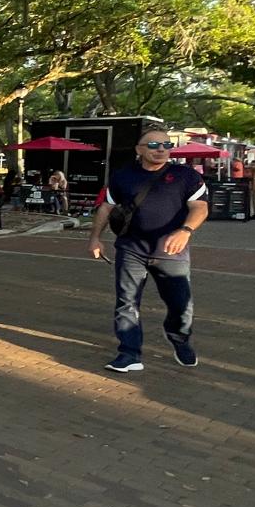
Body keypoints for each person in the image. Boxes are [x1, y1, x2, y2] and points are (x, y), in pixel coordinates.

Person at [88, 127, 209, 373]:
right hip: (131, 248)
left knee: (181, 306)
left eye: (166, 144)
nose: (161, 149)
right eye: (153, 145)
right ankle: (129, 353)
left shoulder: (185, 176)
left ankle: (179, 337)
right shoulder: (123, 176)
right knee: (127, 302)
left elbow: (200, 208)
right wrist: (95, 239)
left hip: (171, 252)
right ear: (139, 150)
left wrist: (185, 230)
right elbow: (106, 208)